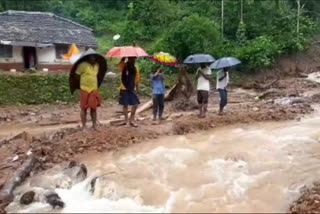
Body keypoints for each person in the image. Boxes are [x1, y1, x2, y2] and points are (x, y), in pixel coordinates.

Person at [76, 55, 101, 130]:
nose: (93, 58)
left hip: (94, 89)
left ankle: (94, 125)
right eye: (91, 57)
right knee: (84, 108)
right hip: (85, 89)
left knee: (94, 108)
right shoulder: (82, 65)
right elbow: (77, 75)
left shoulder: (97, 65)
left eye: (94, 57)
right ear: (88, 58)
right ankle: (84, 126)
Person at [119, 57, 140, 127]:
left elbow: (137, 79)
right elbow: (119, 68)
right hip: (124, 87)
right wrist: (123, 59)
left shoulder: (135, 67)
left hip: (132, 87)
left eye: (134, 59)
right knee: (125, 104)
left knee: (135, 104)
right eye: (131, 58)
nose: (133, 60)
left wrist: (137, 90)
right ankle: (126, 120)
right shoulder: (124, 65)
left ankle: (132, 119)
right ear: (129, 58)